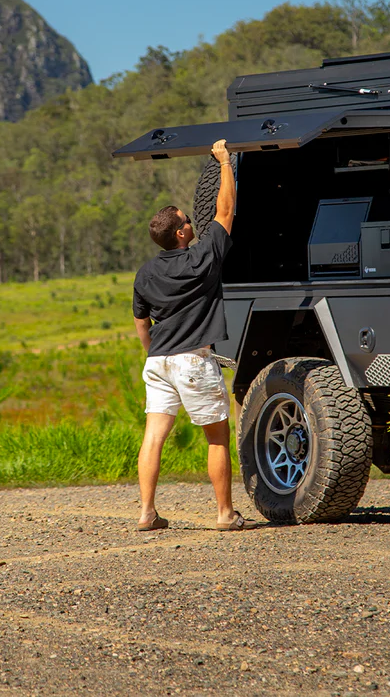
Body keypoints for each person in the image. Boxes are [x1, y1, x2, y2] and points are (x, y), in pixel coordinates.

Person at [132, 139, 257, 532]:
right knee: (217, 438)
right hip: (192, 360)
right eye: (188, 221)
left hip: (158, 362)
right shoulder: (203, 257)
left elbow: (140, 321)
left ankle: (147, 513)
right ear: (182, 234)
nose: (192, 223)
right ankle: (224, 514)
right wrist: (225, 163)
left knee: (153, 438)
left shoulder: (145, 273)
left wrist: (153, 352)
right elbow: (225, 209)